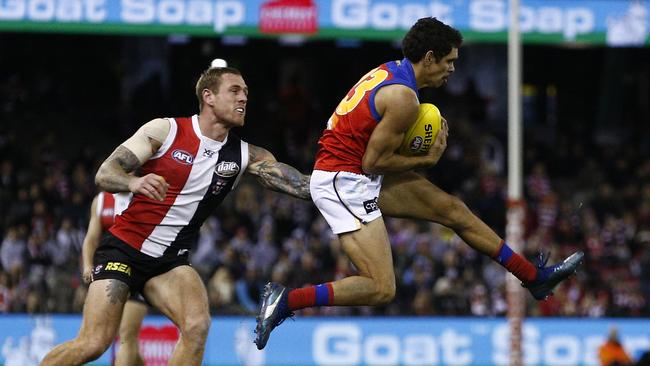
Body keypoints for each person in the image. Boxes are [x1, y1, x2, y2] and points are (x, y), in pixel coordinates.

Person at [254, 17, 584, 350]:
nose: (453, 69)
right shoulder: (403, 99)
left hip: (356, 173)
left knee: (452, 209)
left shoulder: (392, 72)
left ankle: (533, 277)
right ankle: (286, 300)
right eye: (449, 60)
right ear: (429, 57)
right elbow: (373, 161)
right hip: (346, 180)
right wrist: (426, 160)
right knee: (382, 288)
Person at [41, 63, 310, 366]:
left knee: (197, 326)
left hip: (169, 263)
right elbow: (105, 174)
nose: (243, 98)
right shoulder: (165, 130)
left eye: (246, 92)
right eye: (235, 91)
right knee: (93, 344)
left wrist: (349, 188)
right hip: (123, 252)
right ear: (208, 96)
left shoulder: (245, 155)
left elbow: (300, 184)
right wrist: (134, 181)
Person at [81, 191, 147, 366]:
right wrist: (88, 265)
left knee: (127, 334)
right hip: (110, 273)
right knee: (104, 338)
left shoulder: (145, 194)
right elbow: (92, 238)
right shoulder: (102, 200)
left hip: (138, 272)